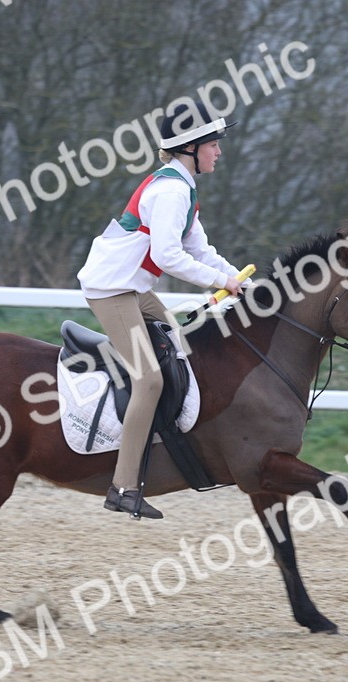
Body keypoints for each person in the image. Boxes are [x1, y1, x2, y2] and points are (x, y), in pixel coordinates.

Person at [77, 100, 244, 520]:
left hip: (131, 285)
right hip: (113, 289)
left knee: (181, 350)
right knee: (149, 380)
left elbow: (199, 249)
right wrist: (222, 282)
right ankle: (123, 487)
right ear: (190, 148)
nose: (219, 152)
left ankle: (162, 446)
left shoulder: (182, 187)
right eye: (213, 144)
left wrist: (241, 280)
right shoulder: (171, 191)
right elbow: (168, 257)